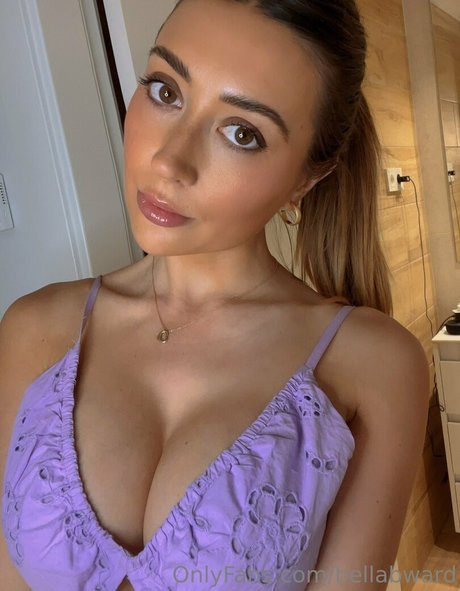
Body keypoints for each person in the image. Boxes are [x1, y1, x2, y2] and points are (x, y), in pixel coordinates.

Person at [0, 0, 430, 589]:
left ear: (307, 177)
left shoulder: (371, 364)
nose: (169, 161)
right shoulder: (33, 328)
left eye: (242, 133)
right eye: (166, 91)